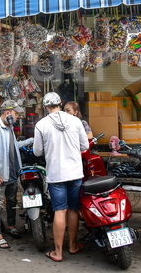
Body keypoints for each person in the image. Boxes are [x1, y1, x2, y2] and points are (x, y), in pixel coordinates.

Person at [34, 93, 89, 263]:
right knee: (73, 209)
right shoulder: (75, 121)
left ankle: (58, 252)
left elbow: (37, 152)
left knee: (60, 210)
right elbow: (85, 145)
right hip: (75, 172)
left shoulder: (41, 124)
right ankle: (72, 246)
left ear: (45, 107)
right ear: (61, 103)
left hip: (56, 173)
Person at [0, 100, 33, 249]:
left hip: (12, 173)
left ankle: (11, 226)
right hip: (0, 174)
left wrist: (30, 141)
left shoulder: (10, 127)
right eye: (16, 113)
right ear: (7, 112)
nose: (17, 116)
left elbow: (12, 146)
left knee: (12, 202)